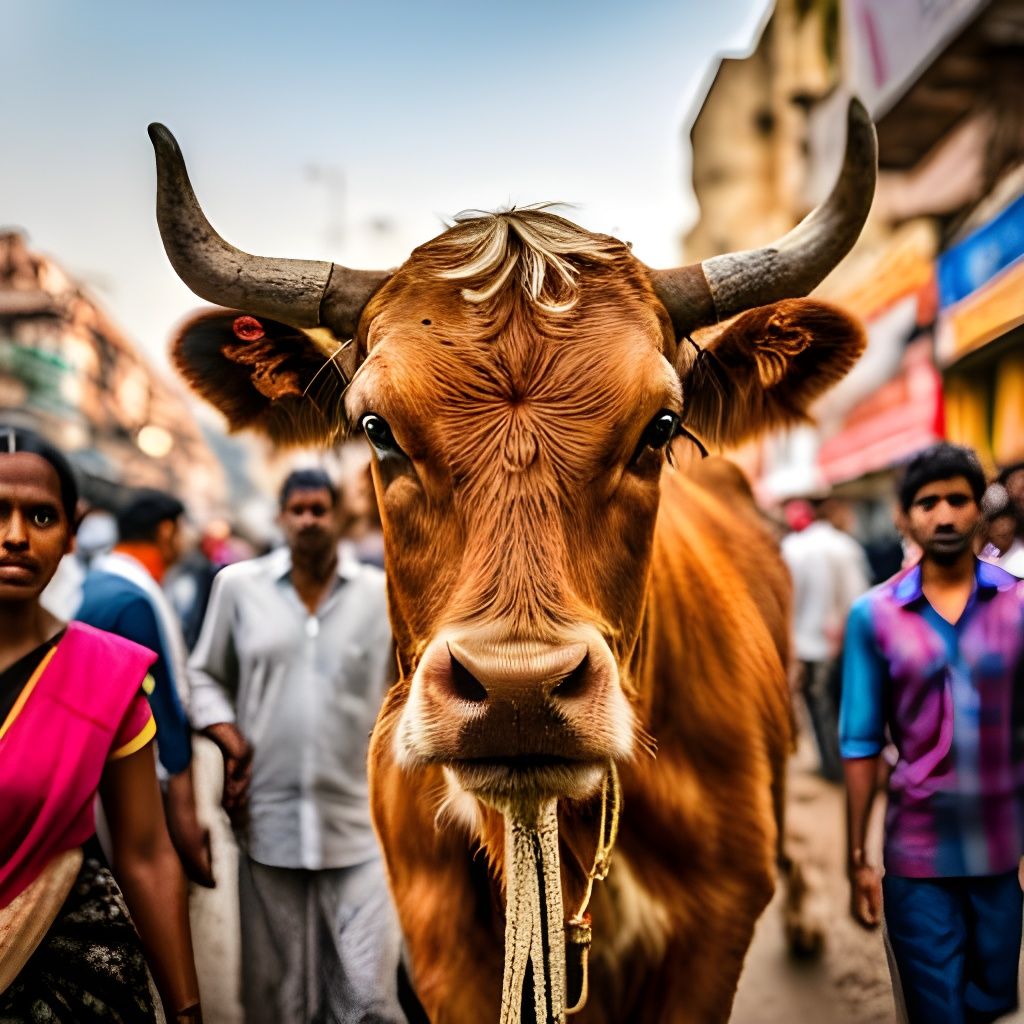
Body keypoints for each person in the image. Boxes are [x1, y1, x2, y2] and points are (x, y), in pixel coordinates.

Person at [0, 425, 202, 1022]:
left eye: (40, 517)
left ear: (71, 533)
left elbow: (144, 853)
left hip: (60, 980)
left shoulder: (105, 675)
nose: (14, 537)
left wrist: (187, 1012)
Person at [188, 467, 402, 1024]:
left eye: (319, 509)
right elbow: (204, 676)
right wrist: (226, 733)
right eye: (298, 509)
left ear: (338, 517)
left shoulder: (380, 595)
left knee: (367, 996)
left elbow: (403, 688)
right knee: (280, 1000)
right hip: (267, 820)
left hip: (363, 824)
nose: (309, 520)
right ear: (281, 517)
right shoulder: (238, 588)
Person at [840, 442, 1024, 1024]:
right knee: (935, 1012)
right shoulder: (875, 616)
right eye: (927, 502)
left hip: (1002, 856)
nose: (943, 515)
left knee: (991, 1003)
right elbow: (860, 743)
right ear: (904, 516)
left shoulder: (1018, 605)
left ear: (979, 508)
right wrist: (858, 860)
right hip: (917, 860)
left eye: (957, 500)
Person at [75, 488, 213, 887]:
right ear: (166, 531)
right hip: (129, 789)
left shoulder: (100, 581)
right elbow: (162, 706)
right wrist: (185, 814)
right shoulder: (132, 599)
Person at [781, 495, 870, 781]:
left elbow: (786, 599)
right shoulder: (845, 546)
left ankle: (831, 766)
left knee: (818, 707)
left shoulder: (792, 548)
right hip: (844, 641)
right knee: (848, 703)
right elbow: (860, 596)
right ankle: (855, 763)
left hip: (806, 643)